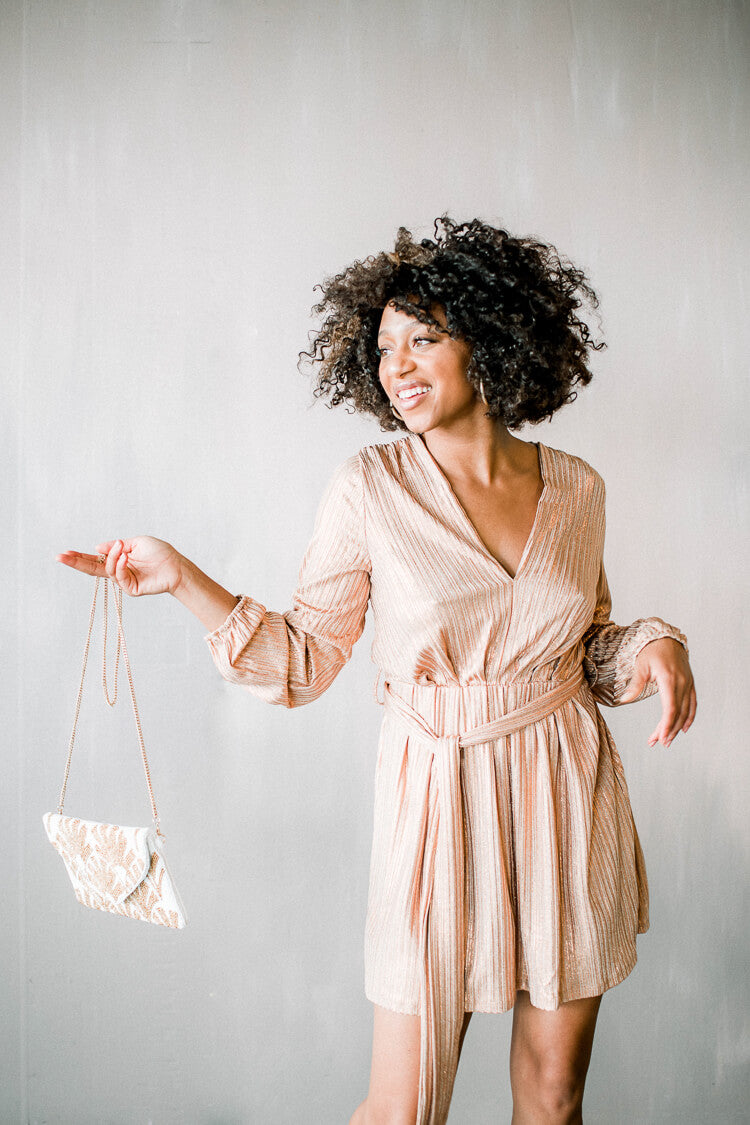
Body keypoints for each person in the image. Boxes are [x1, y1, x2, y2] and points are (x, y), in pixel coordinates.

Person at [57, 217, 696, 1125]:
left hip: (563, 789)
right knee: (402, 1111)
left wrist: (653, 648)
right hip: (436, 797)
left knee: (553, 1101)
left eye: (423, 337)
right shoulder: (369, 487)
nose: (397, 364)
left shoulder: (580, 488)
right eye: (384, 345)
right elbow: (305, 659)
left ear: (494, 335)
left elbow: (583, 644)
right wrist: (184, 580)